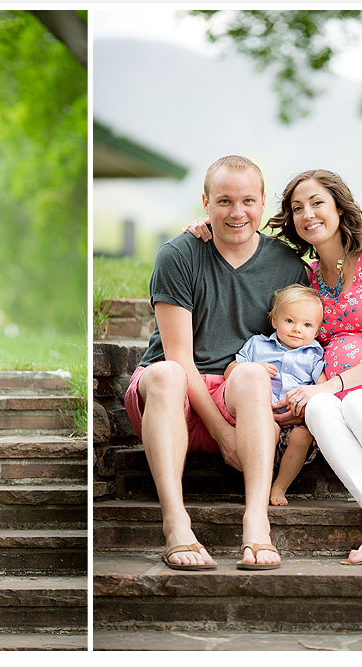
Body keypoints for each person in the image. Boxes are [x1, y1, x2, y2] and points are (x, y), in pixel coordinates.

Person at [186, 168, 362, 568]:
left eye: (318, 203)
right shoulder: (310, 278)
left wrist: (331, 385)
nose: (308, 214)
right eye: (297, 208)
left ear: (340, 206)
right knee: (320, 409)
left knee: (351, 403)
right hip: (344, 408)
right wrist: (204, 230)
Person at [125, 155, 309, 571]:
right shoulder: (179, 255)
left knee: (252, 373)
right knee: (169, 374)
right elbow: (179, 358)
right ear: (205, 202)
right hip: (172, 397)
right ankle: (176, 523)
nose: (237, 212)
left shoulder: (287, 266)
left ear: (263, 204)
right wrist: (224, 435)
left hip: (240, 397)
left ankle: (256, 522)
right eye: (224, 201)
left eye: (247, 201)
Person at [223, 284, 325, 506]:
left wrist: (308, 402)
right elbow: (231, 370)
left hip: (295, 420)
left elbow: (323, 388)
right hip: (260, 418)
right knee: (269, 429)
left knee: (303, 436)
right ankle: (262, 480)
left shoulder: (314, 354)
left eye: (307, 325)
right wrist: (254, 367)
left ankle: (280, 485)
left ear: (316, 332)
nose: (297, 329)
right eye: (290, 321)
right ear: (274, 321)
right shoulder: (257, 345)